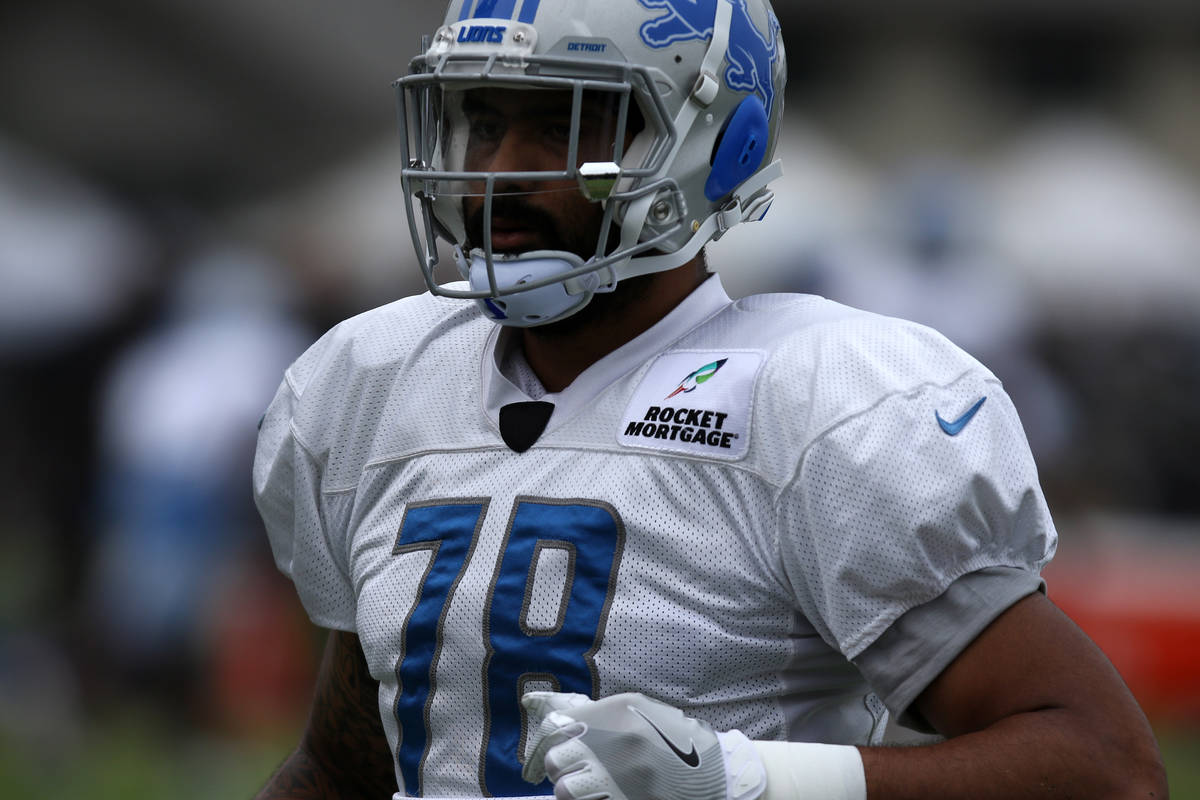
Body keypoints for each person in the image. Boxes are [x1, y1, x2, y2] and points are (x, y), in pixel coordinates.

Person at [252, 1, 1167, 798]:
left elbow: (1102, 766)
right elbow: (347, 773)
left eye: (565, 126)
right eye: (484, 121)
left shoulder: (816, 400)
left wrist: (756, 782)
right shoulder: (377, 380)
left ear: (706, 145)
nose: (503, 170)